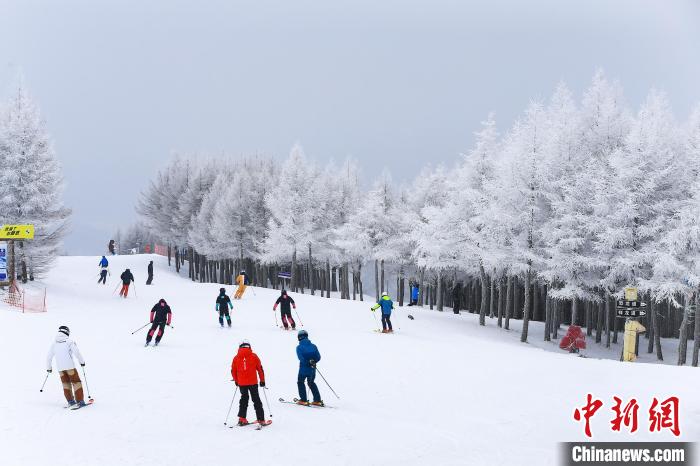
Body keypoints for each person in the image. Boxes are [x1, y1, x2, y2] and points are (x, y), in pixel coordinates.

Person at [46, 326, 88, 409]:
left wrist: (49, 368)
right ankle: (80, 401)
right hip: (70, 367)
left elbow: (48, 357)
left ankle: (70, 401)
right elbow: (77, 352)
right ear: (67, 332)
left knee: (66, 383)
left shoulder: (54, 343)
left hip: (60, 369)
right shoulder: (69, 341)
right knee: (76, 382)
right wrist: (82, 362)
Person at [231, 340, 270, 426]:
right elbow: (260, 369)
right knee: (256, 400)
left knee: (244, 399)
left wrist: (236, 381)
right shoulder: (254, 356)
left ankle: (242, 419)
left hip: (242, 383)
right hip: (253, 382)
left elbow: (233, 371)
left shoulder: (236, 358)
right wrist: (262, 380)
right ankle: (261, 419)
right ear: (249, 346)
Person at [296, 330, 323, 406]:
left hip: (303, 369)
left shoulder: (299, 347)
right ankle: (317, 400)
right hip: (312, 368)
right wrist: (313, 362)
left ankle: (303, 399)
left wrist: (307, 362)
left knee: (300, 382)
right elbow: (318, 357)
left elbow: (301, 358)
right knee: (311, 383)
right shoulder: (314, 346)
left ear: (299, 338)